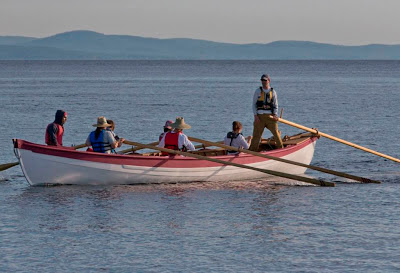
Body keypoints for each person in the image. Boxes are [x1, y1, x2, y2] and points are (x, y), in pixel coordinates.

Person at [249, 74, 284, 151]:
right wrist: (255, 116)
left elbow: (275, 105)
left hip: (270, 117)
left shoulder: (273, 92)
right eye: (262, 80)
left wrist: (275, 114)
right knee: (256, 135)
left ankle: (281, 148)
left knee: (276, 133)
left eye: (265, 80)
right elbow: (254, 104)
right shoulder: (258, 91)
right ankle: (252, 151)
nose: (264, 82)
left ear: (269, 81)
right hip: (259, 117)